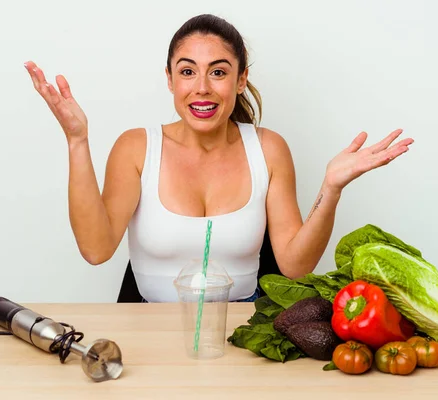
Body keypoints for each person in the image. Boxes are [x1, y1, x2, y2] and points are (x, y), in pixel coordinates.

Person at [23, 14, 413, 303]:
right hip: (148, 327)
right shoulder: (136, 148)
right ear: (170, 79)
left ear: (241, 80)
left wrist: (331, 190)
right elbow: (96, 249)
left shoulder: (269, 149)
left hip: (242, 330)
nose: (202, 89)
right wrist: (78, 141)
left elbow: (295, 265)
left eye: (219, 72)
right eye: (188, 71)